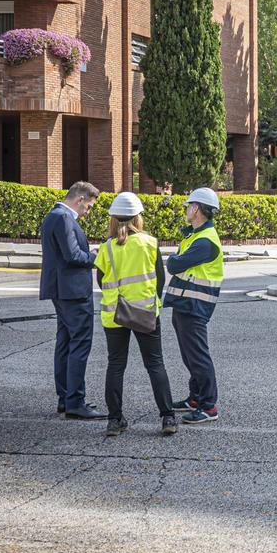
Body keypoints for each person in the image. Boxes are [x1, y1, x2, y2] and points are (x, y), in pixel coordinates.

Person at [93, 192, 177, 437]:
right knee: (155, 364)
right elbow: (159, 279)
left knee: (116, 365)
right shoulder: (150, 243)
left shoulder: (106, 248)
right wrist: (151, 300)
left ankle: (114, 420)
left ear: (113, 219)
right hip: (145, 312)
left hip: (114, 314)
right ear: (137, 218)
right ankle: (168, 417)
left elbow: (101, 280)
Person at [40, 181, 106, 419]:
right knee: (79, 343)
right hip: (72, 292)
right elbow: (72, 256)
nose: (87, 212)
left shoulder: (54, 216)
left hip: (62, 290)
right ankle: (75, 402)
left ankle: (65, 398)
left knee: (65, 342)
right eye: (88, 206)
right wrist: (95, 256)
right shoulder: (64, 218)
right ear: (79, 199)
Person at [166, 188, 225, 425]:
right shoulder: (194, 236)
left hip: (195, 306)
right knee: (190, 356)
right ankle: (195, 398)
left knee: (198, 357)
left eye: (188, 205)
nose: (185, 209)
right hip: (185, 304)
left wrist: (173, 260)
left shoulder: (205, 241)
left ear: (197, 208)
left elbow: (175, 264)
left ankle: (208, 406)